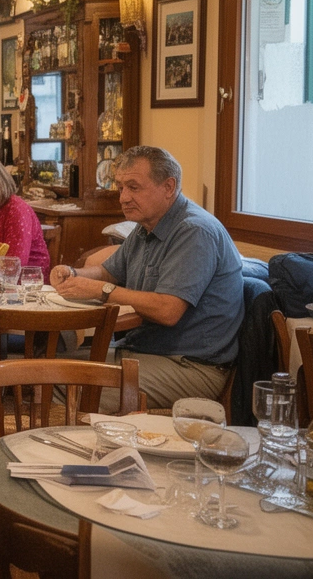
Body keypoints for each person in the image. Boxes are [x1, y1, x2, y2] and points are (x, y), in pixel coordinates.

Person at [50, 146, 243, 410]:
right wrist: (73, 274)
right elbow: (110, 272)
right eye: (120, 188)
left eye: (134, 187)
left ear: (168, 187)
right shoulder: (146, 226)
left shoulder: (194, 232)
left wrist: (100, 289)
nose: (123, 198)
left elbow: (168, 310)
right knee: (47, 363)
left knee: (56, 382)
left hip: (189, 366)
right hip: (143, 350)